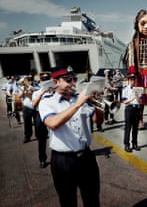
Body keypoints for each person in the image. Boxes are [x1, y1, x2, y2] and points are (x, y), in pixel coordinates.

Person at [38, 66, 102, 207]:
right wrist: (78, 104)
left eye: (74, 79)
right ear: (56, 82)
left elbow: (98, 120)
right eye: (68, 80)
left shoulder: (81, 99)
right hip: (63, 161)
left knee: (92, 199)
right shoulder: (47, 102)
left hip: (86, 157)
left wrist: (98, 103)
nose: (73, 83)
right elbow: (53, 123)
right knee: (67, 201)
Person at [32, 72, 54, 168]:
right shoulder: (36, 92)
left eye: (47, 80)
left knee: (56, 137)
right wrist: (42, 94)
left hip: (52, 115)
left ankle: (57, 157)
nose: (45, 82)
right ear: (40, 81)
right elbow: (34, 104)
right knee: (42, 139)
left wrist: (53, 93)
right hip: (40, 116)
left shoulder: (54, 91)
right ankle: (42, 159)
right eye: (43, 80)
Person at [121, 68, 141, 153]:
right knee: (128, 128)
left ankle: (135, 144)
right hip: (129, 109)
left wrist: (137, 97)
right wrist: (133, 98)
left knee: (135, 128)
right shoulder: (125, 89)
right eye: (131, 80)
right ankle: (126, 144)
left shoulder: (138, 89)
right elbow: (124, 101)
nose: (133, 81)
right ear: (128, 80)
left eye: (134, 80)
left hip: (136, 108)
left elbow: (140, 101)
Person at [19, 76, 36, 143]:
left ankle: (39, 135)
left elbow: (37, 91)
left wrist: (30, 88)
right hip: (26, 107)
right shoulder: (22, 88)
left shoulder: (35, 86)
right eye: (27, 81)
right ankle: (27, 137)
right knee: (27, 123)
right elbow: (19, 96)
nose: (28, 82)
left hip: (35, 107)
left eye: (29, 80)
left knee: (38, 123)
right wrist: (23, 90)